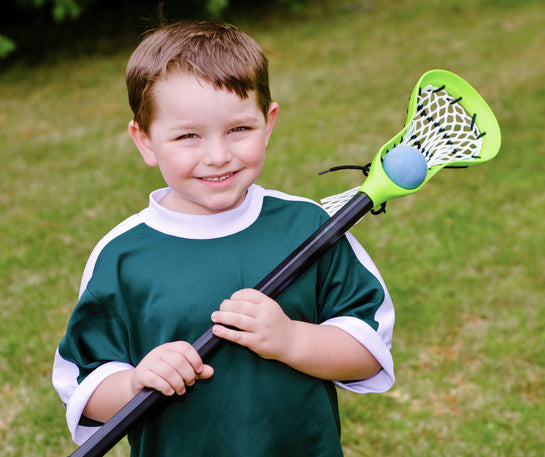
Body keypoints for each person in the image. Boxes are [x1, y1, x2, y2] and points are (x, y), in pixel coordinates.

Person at [52, 21, 394, 457]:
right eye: (187, 136)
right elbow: (83, 386)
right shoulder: (123, 257)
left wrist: (291, 339)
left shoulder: (307, 227)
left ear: (268, 123)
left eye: (239, 130)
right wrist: (136, 381)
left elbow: (368, 348)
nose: (217, 155)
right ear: (145, 141)